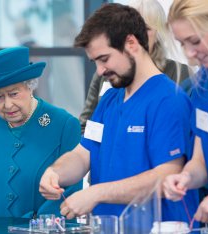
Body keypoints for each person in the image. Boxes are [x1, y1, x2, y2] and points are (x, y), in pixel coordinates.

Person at [39, 3, 198, 223]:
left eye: (104, 59)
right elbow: (83, 154)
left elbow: (167, 175)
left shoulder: (169, 100)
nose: (100, 71)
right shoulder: (110, 99)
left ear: (131, 43)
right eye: (95, 62)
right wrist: (55, 173)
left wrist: (96, 193)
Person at [0, 46, 82, 218]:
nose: (8, 104)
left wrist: (33, 227)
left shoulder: (63, 125)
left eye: (14, 94)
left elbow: (69, 194)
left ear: (30, 86)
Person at [79, 0, 192, 133]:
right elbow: (86, 126)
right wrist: (102, 148)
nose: (136, 37)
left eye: (145, 29)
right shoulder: (107, 72)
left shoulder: (179, 73)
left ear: (158, 33)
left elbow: (185, 130)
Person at [163, 0, 208, 225]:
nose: (190, 54)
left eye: (194, 41)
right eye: (182, 44)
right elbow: (201, 161)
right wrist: (186, 177)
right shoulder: (203, 84)